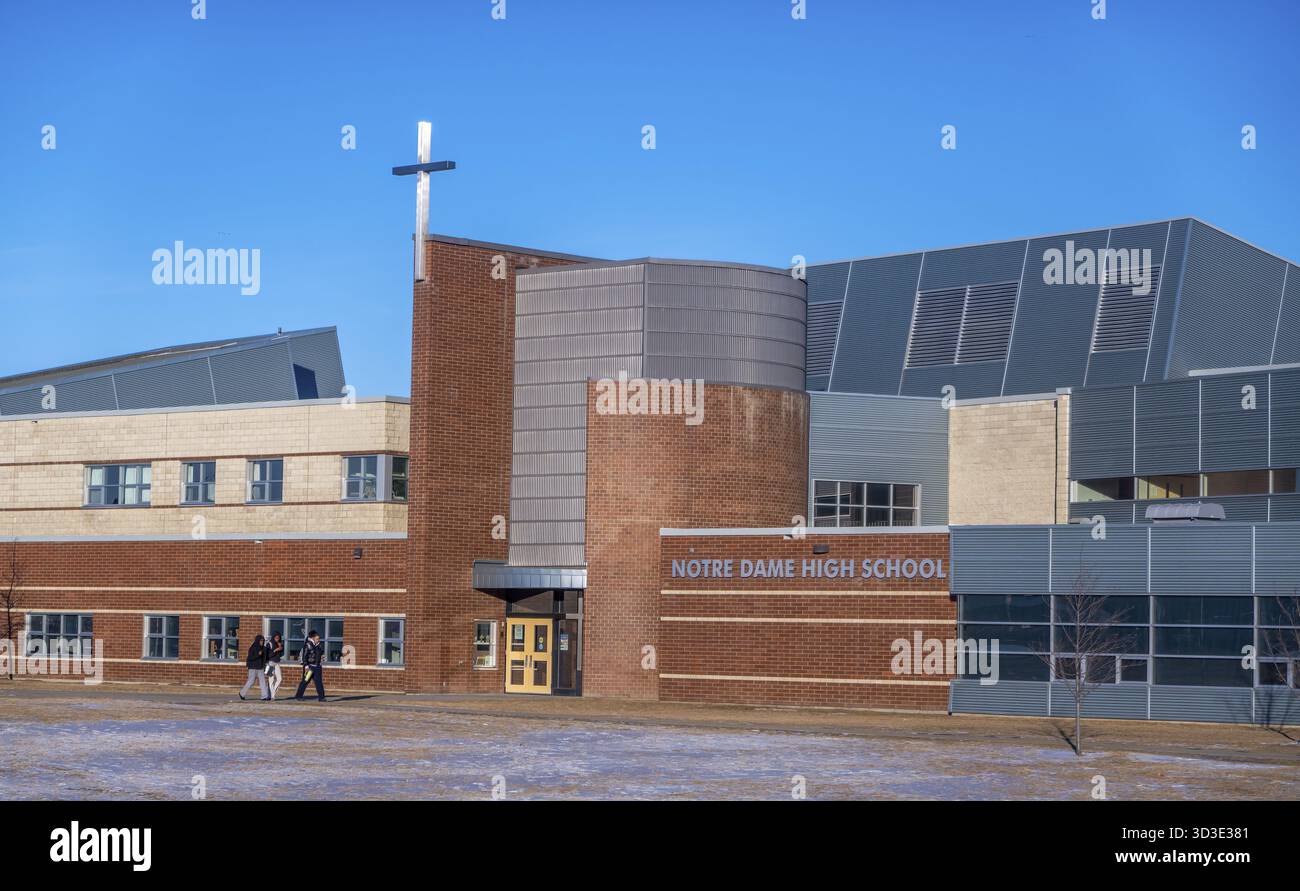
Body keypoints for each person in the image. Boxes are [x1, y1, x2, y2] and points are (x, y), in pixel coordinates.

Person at [293, 630, 327, 701]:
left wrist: (322, 657)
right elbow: (304, 656)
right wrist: (306, 666)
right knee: (305, 681)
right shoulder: (307, 645)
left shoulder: (319, 645)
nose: (318, 640)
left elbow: (321, 653)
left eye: (319, 639)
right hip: (310, 667)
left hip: (317, 666)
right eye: (317, 639)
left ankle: (321, 697)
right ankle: (299, 696)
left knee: (319, 682)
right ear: (313, 638)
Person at [239, 634, 269, 701]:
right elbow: (250, 658)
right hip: (253, 667)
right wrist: (258, 655)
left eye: (263, 640)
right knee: (251, 681)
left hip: (260, 667)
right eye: (261, 640)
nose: (262, 642)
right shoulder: (253, 648)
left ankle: (264, 696)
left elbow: (265, 658)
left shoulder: (264, 648)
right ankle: (242, 693)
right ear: (257, 641)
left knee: (263, 681)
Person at [264, 632, 285, 699]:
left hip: (277, 662)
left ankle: (273, 693)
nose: (277, 639)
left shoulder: (279, 644)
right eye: (276, 638)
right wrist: (275, 650)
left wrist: (281, 648)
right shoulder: (269, 644)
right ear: (273, 637)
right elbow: (268, 655)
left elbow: (281, 655)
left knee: (279, 678)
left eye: (278, 638)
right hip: (270, 663)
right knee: (271, 680)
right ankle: (272, 696)